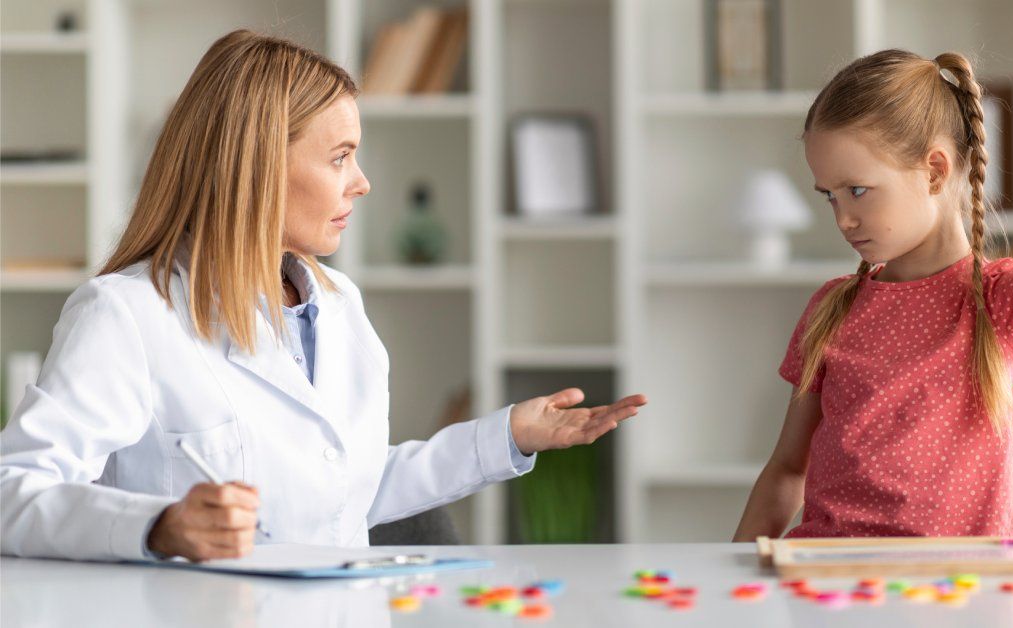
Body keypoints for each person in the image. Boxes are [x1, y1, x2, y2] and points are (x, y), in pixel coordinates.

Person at [0, 30, 646, 562]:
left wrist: (507, 436)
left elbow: (344, 491)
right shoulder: (128, 315)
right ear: (256, 165)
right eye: (340, 157)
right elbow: (14, 493)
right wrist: (156, 526)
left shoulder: (339, 306)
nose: (361, 184)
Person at [733, 49, 1013, 539]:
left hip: (960, 598)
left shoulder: (1001, 302)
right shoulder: (831, 307)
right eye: (829, 196)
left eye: (857, 190)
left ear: (933, 170)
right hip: (829, 591)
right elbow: (786, 470)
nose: (842, 217)